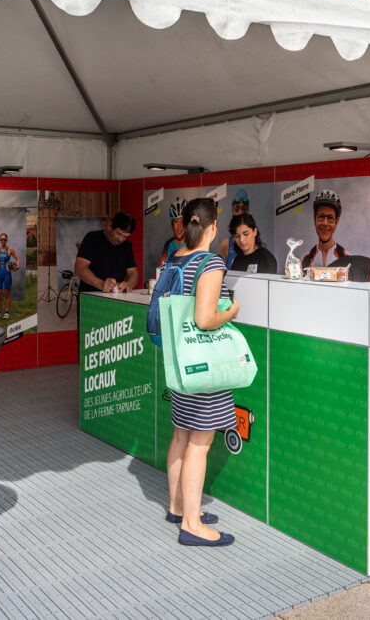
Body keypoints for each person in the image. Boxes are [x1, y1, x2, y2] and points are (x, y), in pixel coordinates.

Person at [164, 197, 239, 547]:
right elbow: (205, 318)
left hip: (180, 360)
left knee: (181, 434)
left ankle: (178, 507)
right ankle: (192, 525)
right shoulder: (210, 262)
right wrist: (232, 311)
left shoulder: (175, 257)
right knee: (199, 443)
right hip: (203, 366)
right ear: (213, 226)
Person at [74, 212, 139, 293]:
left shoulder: (127, 245)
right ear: (109, 226)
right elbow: (79, 268)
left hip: (115, 298)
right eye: (118, 233)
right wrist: (101, 284)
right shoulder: (92, 238)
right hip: (90, 297)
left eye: (125, 236)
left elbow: (133, 272)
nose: (121, 239)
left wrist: (129, 284)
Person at [301, 189, 348, 269]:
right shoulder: (306, 260)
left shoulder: (347, 258)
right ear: (314, 218)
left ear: (336, 221)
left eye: (330, 218)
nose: (325, 223)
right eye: (321, 217)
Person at [0, 233, 20, 319]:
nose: (3, 241)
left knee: (7, 294)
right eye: (1, 239)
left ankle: (7, 312)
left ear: (7, 240)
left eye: (4, 239)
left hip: (7, 274)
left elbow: (17, 259)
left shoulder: (10, 249)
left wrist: (18, 266)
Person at [152, 199, 186, 281]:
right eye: (176, 221)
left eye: (182, 221)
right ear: (172, 224)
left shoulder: (193, 243)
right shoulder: (169, 244)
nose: (179, 226)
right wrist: (153, 281)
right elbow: (160, 269)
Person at [217, 188, 250, 266]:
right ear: (233, 212)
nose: (240, 213)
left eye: (244, 209)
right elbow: (220, 272)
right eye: (237, 209)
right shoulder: (226, 244)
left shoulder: (254, 243)